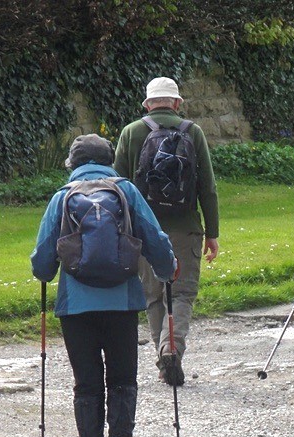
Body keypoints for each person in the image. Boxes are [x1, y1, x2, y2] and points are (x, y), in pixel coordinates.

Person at [31, 134, 176, 437]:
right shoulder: (125, 192)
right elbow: (155, 239)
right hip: (122, 303)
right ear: (109, 160)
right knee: (123, 381)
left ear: (72, 163)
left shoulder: (63, 197)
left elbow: (43, 262)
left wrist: (45, 271)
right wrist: (167, 269)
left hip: (76, 307)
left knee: (87, 386)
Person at [113, 76, 219, 386]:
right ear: (176, 103)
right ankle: (171, 347)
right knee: (182, 293)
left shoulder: (131, 132)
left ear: (147, 104)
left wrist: (122, 231)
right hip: (185, 229)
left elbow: (117, 187)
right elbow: (207, 187)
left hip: (144, 231)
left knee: (154, 296)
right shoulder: (193, 132)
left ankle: (163, 363)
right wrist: (211, 232)